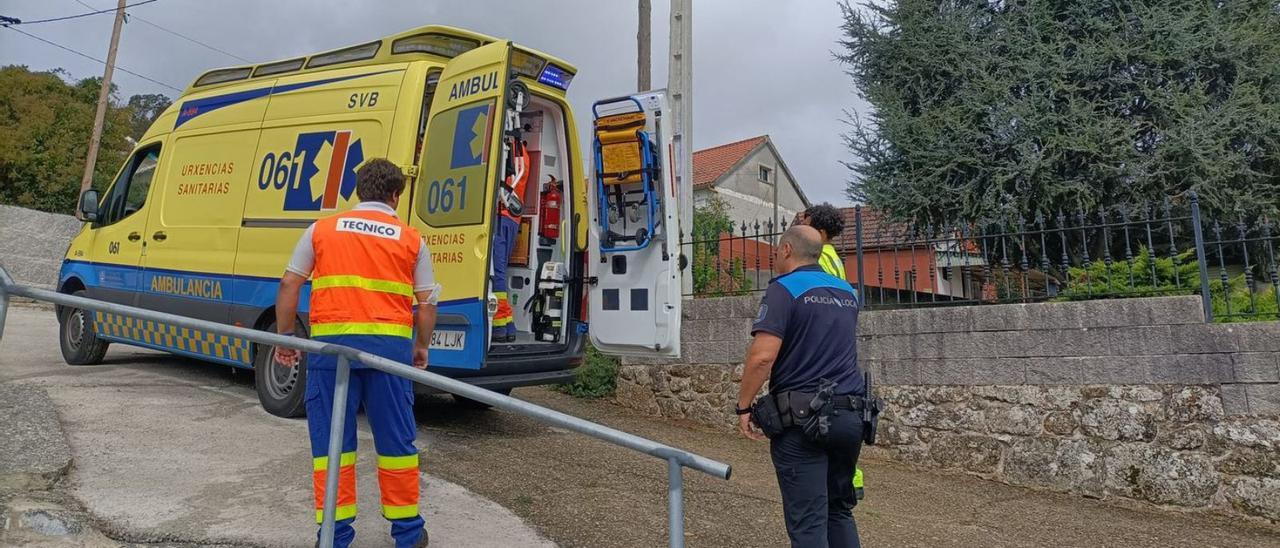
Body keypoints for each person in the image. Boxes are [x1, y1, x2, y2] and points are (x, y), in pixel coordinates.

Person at [274, 158, 440, 548]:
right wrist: (420, 346)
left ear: (358, 191)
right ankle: (408, 534)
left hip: (332, 353)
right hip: (390, 356)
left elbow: (288, 284)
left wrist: (286, 339)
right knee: (397, 444)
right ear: (395, 196)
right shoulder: (411, 239)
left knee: (332, 445)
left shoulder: (322, 230)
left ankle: (334, 535)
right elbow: (427, 304)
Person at [736, 225, 866, 548]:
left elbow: (762, 358)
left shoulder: (784, 289)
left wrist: (744, 406)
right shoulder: (848, 293)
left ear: (786, 251)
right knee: (838, 511)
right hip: (850, 418)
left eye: (777, 250)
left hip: (803, 422)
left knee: (809, 523)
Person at [794, 204, 864, 500]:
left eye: (806, 223)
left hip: (819, 345)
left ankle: (840, 483)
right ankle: (850, 479)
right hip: (838, 343)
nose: (801, 228)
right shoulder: (835, 257)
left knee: (823, 417)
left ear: (819, 231)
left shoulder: (817, 255)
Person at [491, 140, 531, 343]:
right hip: (510, 217)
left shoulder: (509, 150)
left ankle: (501, 327)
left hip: (502, 214)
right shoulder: (520, 152)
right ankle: (507, 325)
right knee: (499, 273)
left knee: (496, 274)